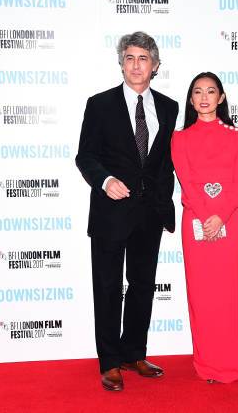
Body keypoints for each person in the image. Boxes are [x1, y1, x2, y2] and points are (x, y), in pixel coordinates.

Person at [75, 31, 179, 392]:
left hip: (149, 214)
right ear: (121, 63)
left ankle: (135, 352)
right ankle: (110, 361)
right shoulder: (99, 104)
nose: (136, 65)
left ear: (155, 65)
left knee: (142, 287)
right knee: (106, 287)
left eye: (143, 58)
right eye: (130, 58)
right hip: (110, 212)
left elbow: (164, 162)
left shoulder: (168, 107)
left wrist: (165, 204)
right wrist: (104, 181)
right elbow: (85, 155)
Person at [171, 72, 238, 383]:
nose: (204, 97)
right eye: (198, 92)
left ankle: (228, 364)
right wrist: (207, 216)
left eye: (211, 91)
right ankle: (205, 364)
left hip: (228, 220)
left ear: (221, 97)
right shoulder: (180, 138)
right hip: (196, 222)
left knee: (227, 294)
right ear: (191, 100)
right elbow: (186, 182)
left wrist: (221, 215)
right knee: (201, 296)